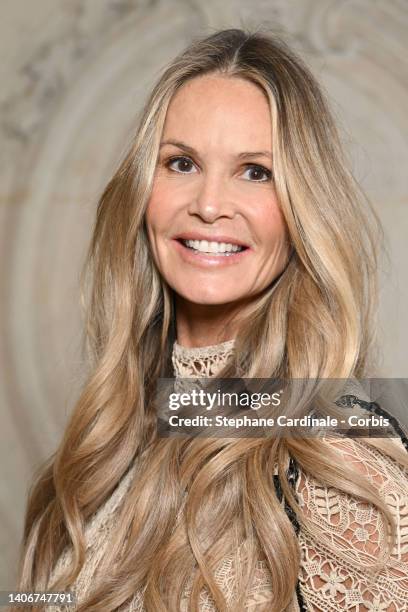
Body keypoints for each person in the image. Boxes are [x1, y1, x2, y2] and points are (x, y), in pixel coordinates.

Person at [14, 28, 408, 611]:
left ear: (304, 209)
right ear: (143, 192)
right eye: (181, 163)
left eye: (255, 171)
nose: (208, 203)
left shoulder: (342, 468)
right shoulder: (107, 449)